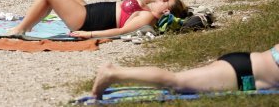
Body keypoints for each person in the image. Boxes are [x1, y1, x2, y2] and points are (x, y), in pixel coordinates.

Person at [91, 44, 279, 98]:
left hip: (245, 68)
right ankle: (113, 73)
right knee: (175, 81)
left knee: (177, 81)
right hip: (242, 73)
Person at [8, 0, 187, 38]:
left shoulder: (148, 17)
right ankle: (30, 24)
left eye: (167, 0)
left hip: (87, 22)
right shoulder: (147, 7)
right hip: (90, 11)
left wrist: (90, 35)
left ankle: (21, 29)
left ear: (166, 12)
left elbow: (121, 31)